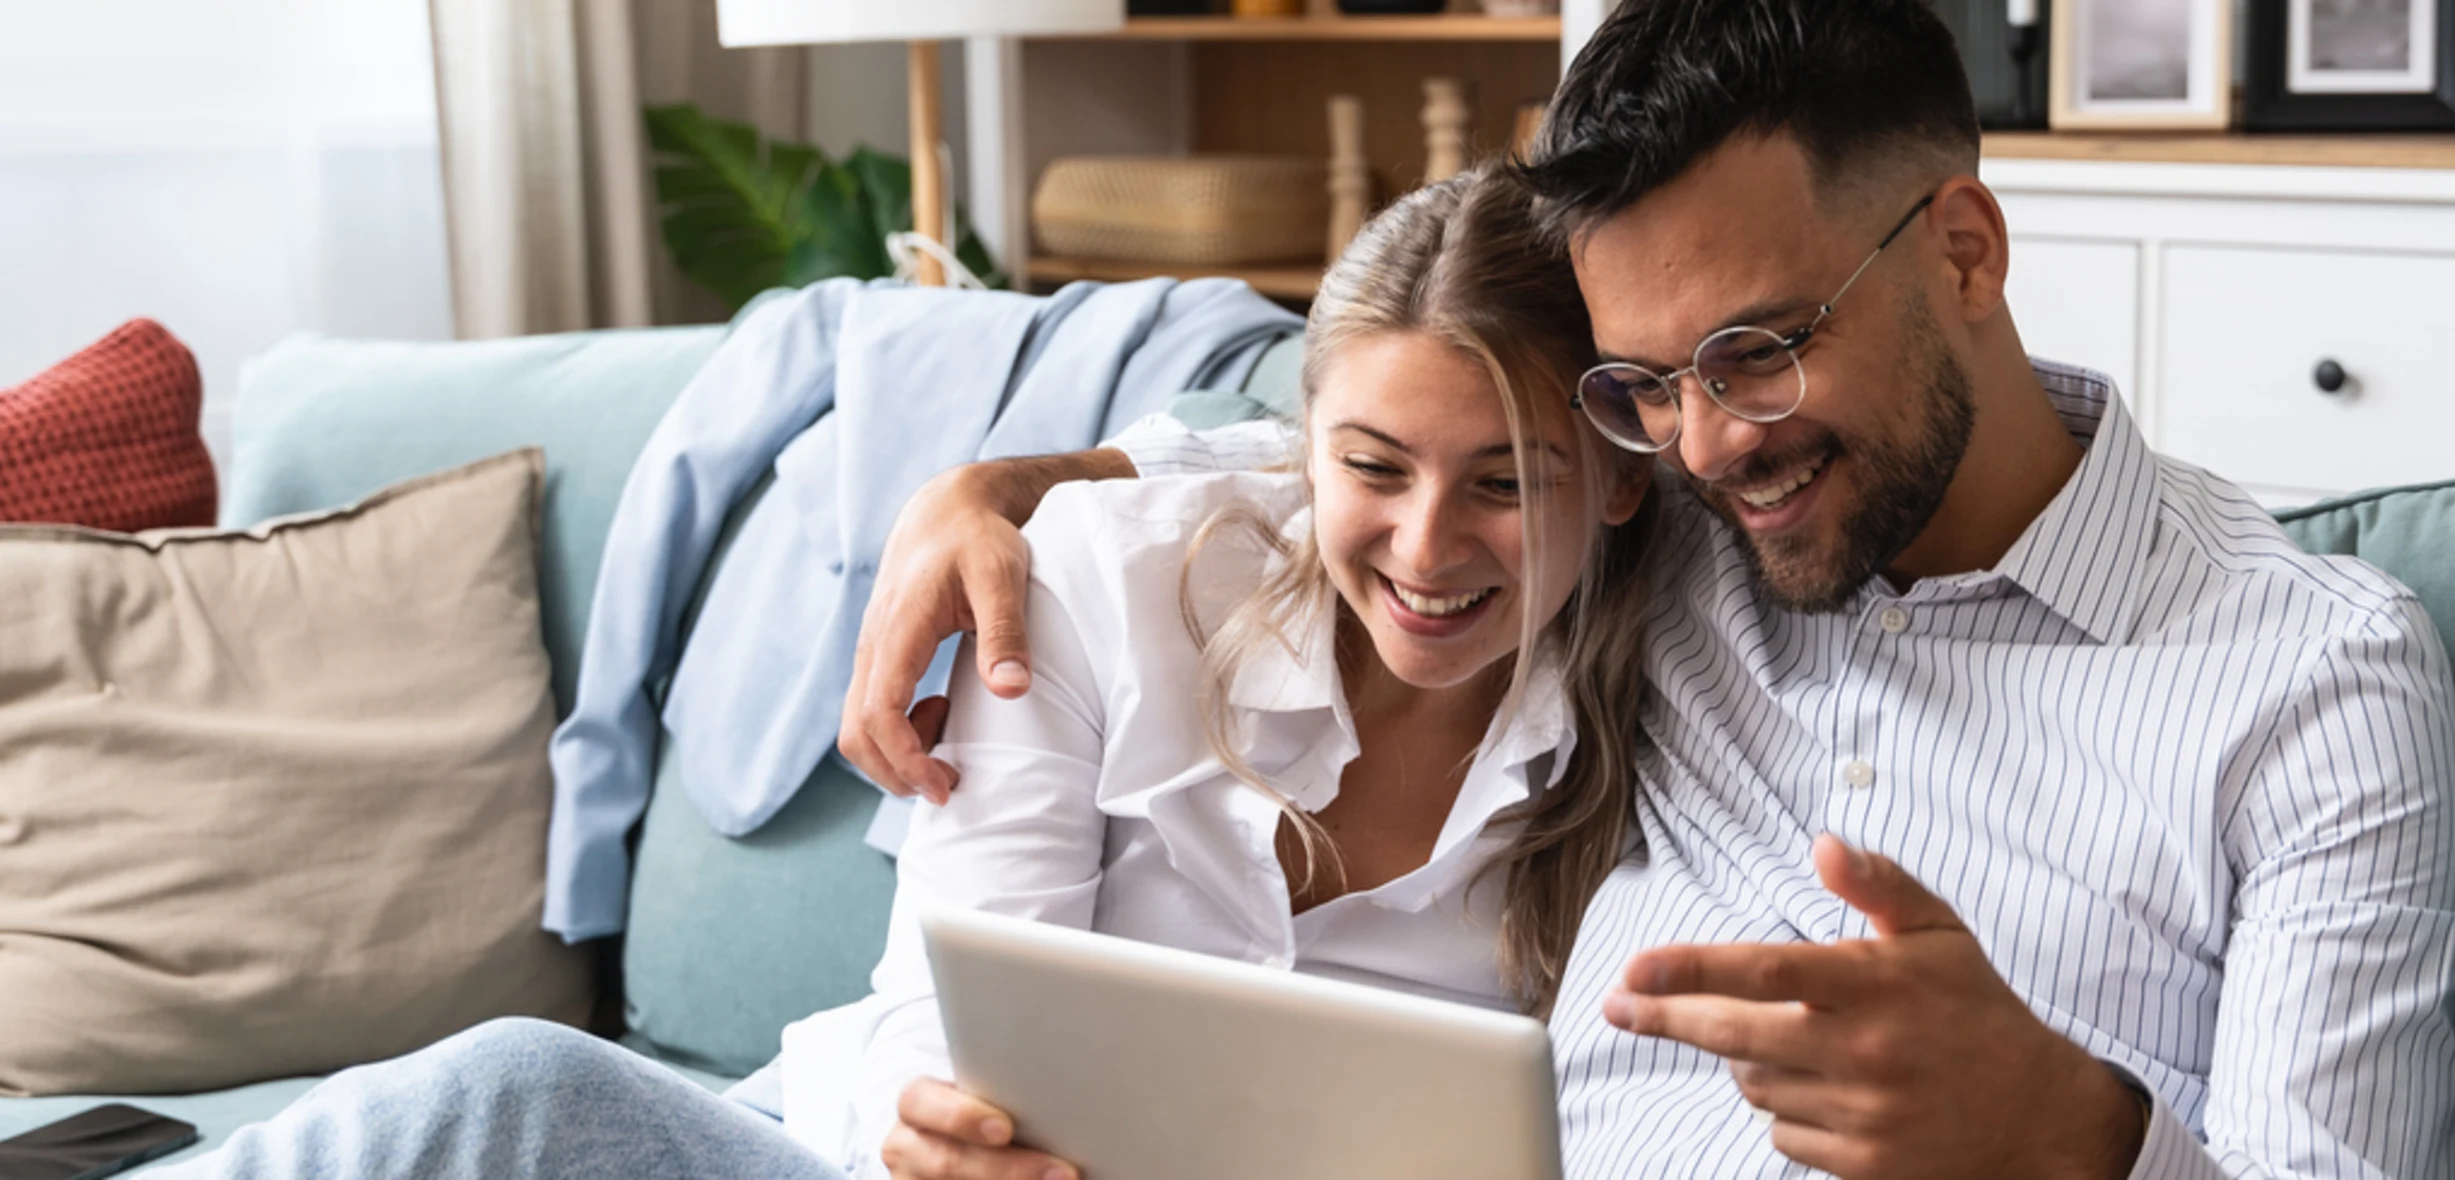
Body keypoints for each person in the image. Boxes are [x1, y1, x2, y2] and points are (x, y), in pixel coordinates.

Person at [841, 1, 2455, 1177]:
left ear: (1965, 253)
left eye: (1757, 350)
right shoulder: (1681, 511)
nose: (1708, 443)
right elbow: (1395, 464)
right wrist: (1000, 490)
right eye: (1643, 386)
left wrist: (2071, 1134)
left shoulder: (2311, 680)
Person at [149, 168, 1656, 1180]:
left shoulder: (1681, 698)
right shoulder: (1103, 575)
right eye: (1373, 468)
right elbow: (938, 1005)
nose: (1425, 544)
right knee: (514, 1095)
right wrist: (926, 1127)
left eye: (1509, 483)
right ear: (1301, 450)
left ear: (1619, 477)